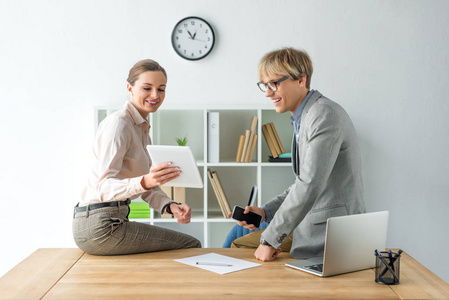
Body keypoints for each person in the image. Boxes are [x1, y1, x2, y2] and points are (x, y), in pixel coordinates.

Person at [233, 47, 366, 262]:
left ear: (301, 79)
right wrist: (266, 211)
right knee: (237, 233)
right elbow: (302, 182)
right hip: (311, 223)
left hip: (330, 233)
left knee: (238, 244)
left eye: (274, 83)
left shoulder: (323, 115)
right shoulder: (304, 116)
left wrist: (270, 240)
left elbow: (309, 185)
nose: (268, 92)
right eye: (265, 85)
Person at [73, 59, 201, 255]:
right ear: (129, 88)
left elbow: (147, 189)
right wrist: (145, 181)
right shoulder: (119, 124)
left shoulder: (141, 128)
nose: (155, 95)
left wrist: (170, 206)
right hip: (99, 225)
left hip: (111, 220)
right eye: (147, 88)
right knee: (190, 245)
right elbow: (104, 187)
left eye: (161, 89)